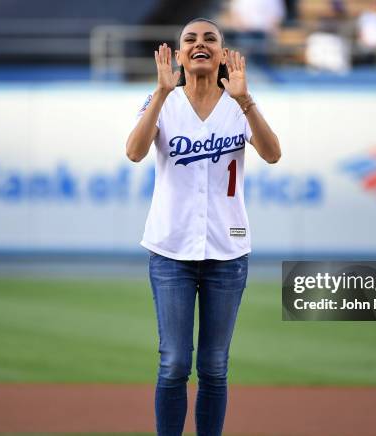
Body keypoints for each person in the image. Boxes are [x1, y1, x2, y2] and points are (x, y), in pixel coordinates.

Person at [125, 17, 281, 436]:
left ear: (223, 54)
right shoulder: (163, 101)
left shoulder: (239, 102)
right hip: (171, 249)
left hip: (227, 253)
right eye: (190, 39)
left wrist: (246, 101)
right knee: (174, 361)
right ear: (178, 55)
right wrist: (159, 92)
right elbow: (135, 152)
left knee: (214, 365)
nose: (199, 43)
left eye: (209, 38)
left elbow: (272, 154)